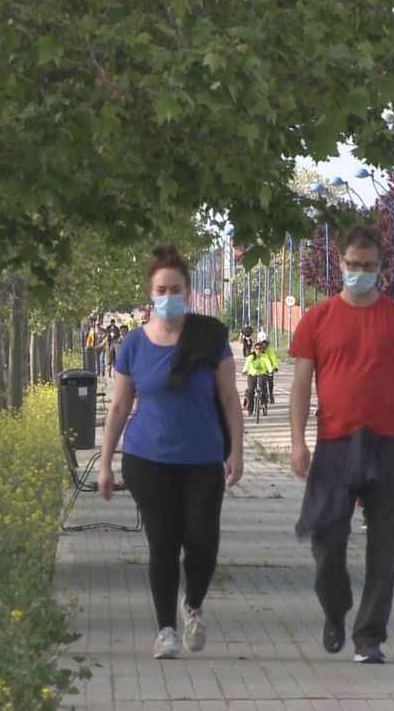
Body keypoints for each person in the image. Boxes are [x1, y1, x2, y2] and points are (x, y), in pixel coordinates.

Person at [289, 223, 394, 665]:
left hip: (387, 444)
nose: (360, 273)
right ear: (340, 263)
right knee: (326, 540)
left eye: (368, 267)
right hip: (334, 444)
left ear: (381, 268)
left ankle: (369, 636)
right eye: (353, 265)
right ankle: (336, 609)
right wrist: (297, 442)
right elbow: (299, 385)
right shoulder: (317, 319)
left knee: (384, 546)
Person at [99, 245, 245, 660]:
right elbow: (119, 405)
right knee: (163, 542)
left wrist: (236, 450)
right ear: (150, 293)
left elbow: (230, 399)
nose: (168, 295)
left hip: (202, 458)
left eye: (175, 288)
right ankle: (165, 629)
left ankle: (193, 603)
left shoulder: (210, 338)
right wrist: (106, 462)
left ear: (188, 290)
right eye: (160, 289)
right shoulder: (133, 345)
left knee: (201, 540)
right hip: (148, 459)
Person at [242, 341, 274, 414]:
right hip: (252, 375)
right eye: (256, 349)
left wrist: (270, 371)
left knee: (263, 388)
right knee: (250, 390)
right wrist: (244, 371)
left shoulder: (265, 357)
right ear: (254, 349)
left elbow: (268, 364)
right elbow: (246, 365)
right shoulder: (251, 357)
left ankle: (264, 403)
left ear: (262, 350)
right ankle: (250, 408)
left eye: (260, 349)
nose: (258, 350)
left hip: (262, 374)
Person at [258, 335, 279, 404]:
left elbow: (273, 359)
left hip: (268, 369)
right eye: (262, 343)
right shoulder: (257, 349)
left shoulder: (270, 351)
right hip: (258, 369)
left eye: (265, 343)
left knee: (270, 381)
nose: (264, 345)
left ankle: (270, 394)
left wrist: (275, 367)